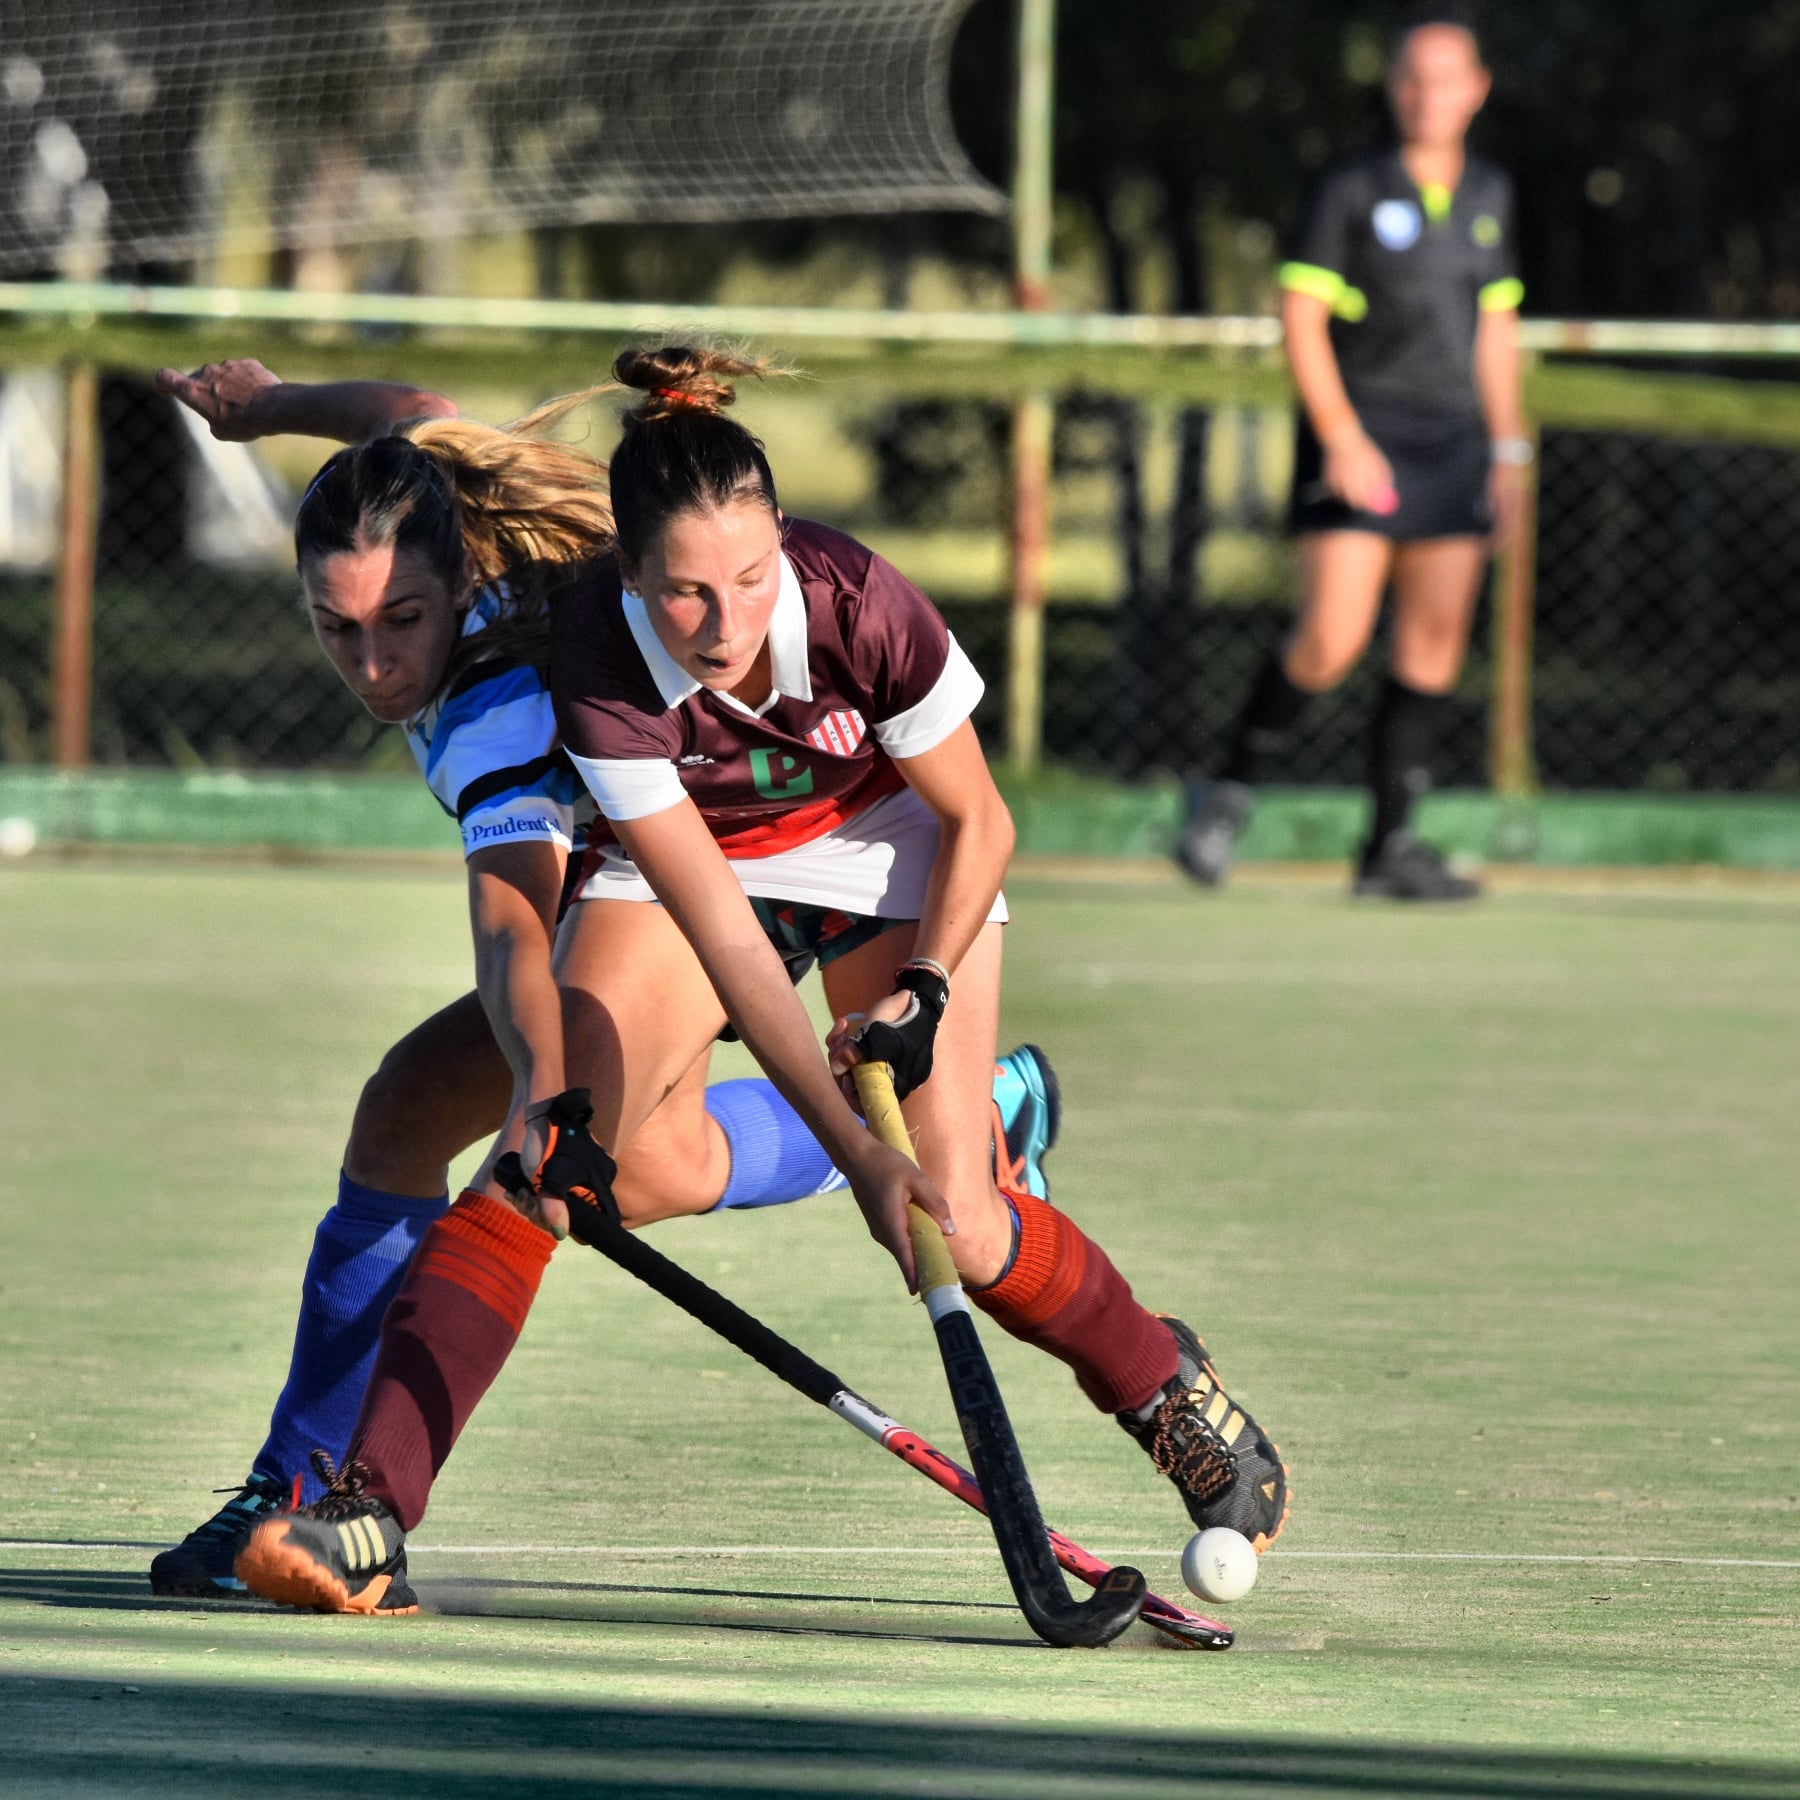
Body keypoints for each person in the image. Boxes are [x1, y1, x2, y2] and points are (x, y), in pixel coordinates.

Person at [232, 346, 1291, 1616]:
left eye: (748, 579)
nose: (724, 624)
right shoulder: (597, 662)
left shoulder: (858, 601)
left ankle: (1163, 1384)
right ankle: (366, 1515)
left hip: (886, 845)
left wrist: (929, 991)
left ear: (783, 541)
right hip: (692, 854)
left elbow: (981, 821)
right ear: (628, 577)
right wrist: (849, 1145)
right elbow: (731, 941)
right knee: (551, 1166)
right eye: (684, 594)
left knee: (951, 1228)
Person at [1179, 11, 1527, 899]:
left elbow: (1494, 331)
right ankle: (1223, 796)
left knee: (1433, 647)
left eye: (1447, 77)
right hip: (1360, 437)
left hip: (1454, 446)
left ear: (1477, 90)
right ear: (1393, 87)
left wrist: (1508, 451)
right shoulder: (1350, 188)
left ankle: (1390, 848)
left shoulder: (1489, 193)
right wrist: (1339, 435)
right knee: (1331, 639)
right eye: (1413, 76)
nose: (1428, 94)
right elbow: (1301, 322)